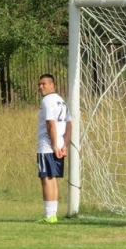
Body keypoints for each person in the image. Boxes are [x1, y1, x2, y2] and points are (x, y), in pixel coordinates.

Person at [36, 74, 72, 224]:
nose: (41, 87)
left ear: (53, 85)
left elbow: (51, 123)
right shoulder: (62, 101)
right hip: (58, 145)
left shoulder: (47, 100)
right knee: (53, 179)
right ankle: (53, 215)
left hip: (48, 146)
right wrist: (65, 145)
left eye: (44, 84)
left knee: (47, 179)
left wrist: (54, 146)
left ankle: (49, 215)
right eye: (39, 84)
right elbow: (69, 125)